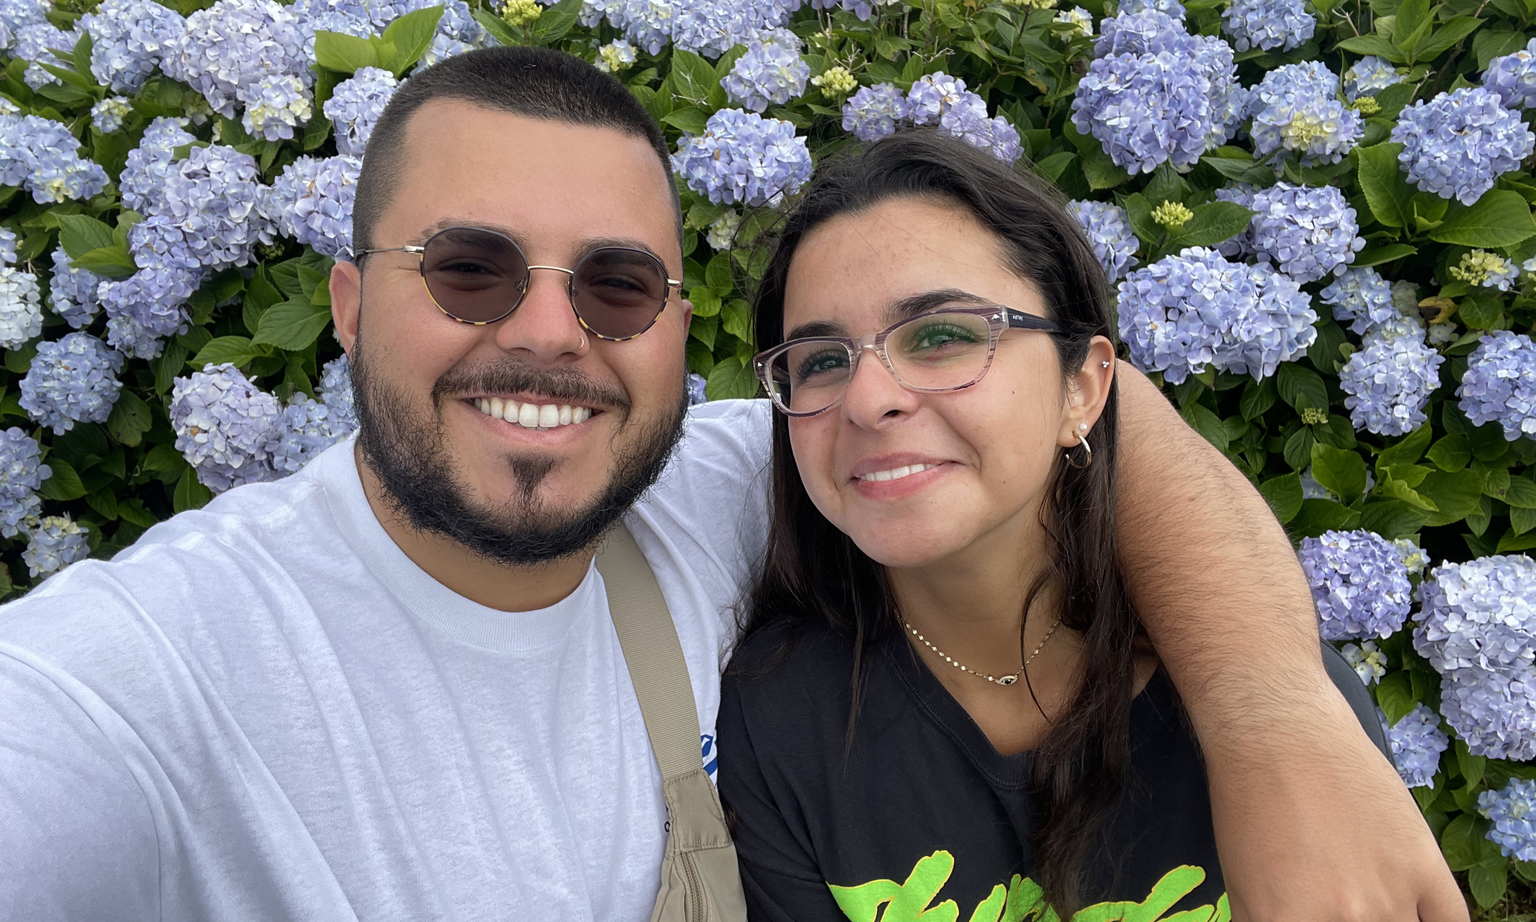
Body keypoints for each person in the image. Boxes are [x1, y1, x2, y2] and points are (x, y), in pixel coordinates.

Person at [0, 46, 1461, 922]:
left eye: (620, 283)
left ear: (681, 333)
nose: (548, 330)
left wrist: (1275, 715)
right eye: (468, 267)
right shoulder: (148, 668)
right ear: (346, 302)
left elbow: (1074, 404)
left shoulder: (746, 469)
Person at [716, 130, 1441, 921]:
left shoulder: (1267, 701)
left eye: (943, 335)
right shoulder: (778, 722)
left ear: (1085, 389)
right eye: (820, 360)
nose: (866, 399)